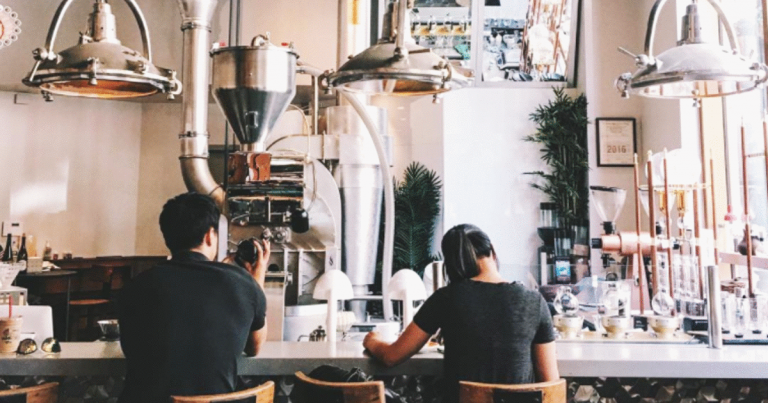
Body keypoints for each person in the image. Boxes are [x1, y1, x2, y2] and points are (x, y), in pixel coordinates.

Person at [363, 224, 559, 403]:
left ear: (452, 266)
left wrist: (372, 340)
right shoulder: (534, 301)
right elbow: (550, 385)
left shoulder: (446, 298)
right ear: (493, 252)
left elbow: (392, 356)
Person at [118, 192, 270, 403]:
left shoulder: (136, 286)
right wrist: (254, 281)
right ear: (210, 235)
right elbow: (254, 347)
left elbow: (132, 349)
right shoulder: (243, 284)